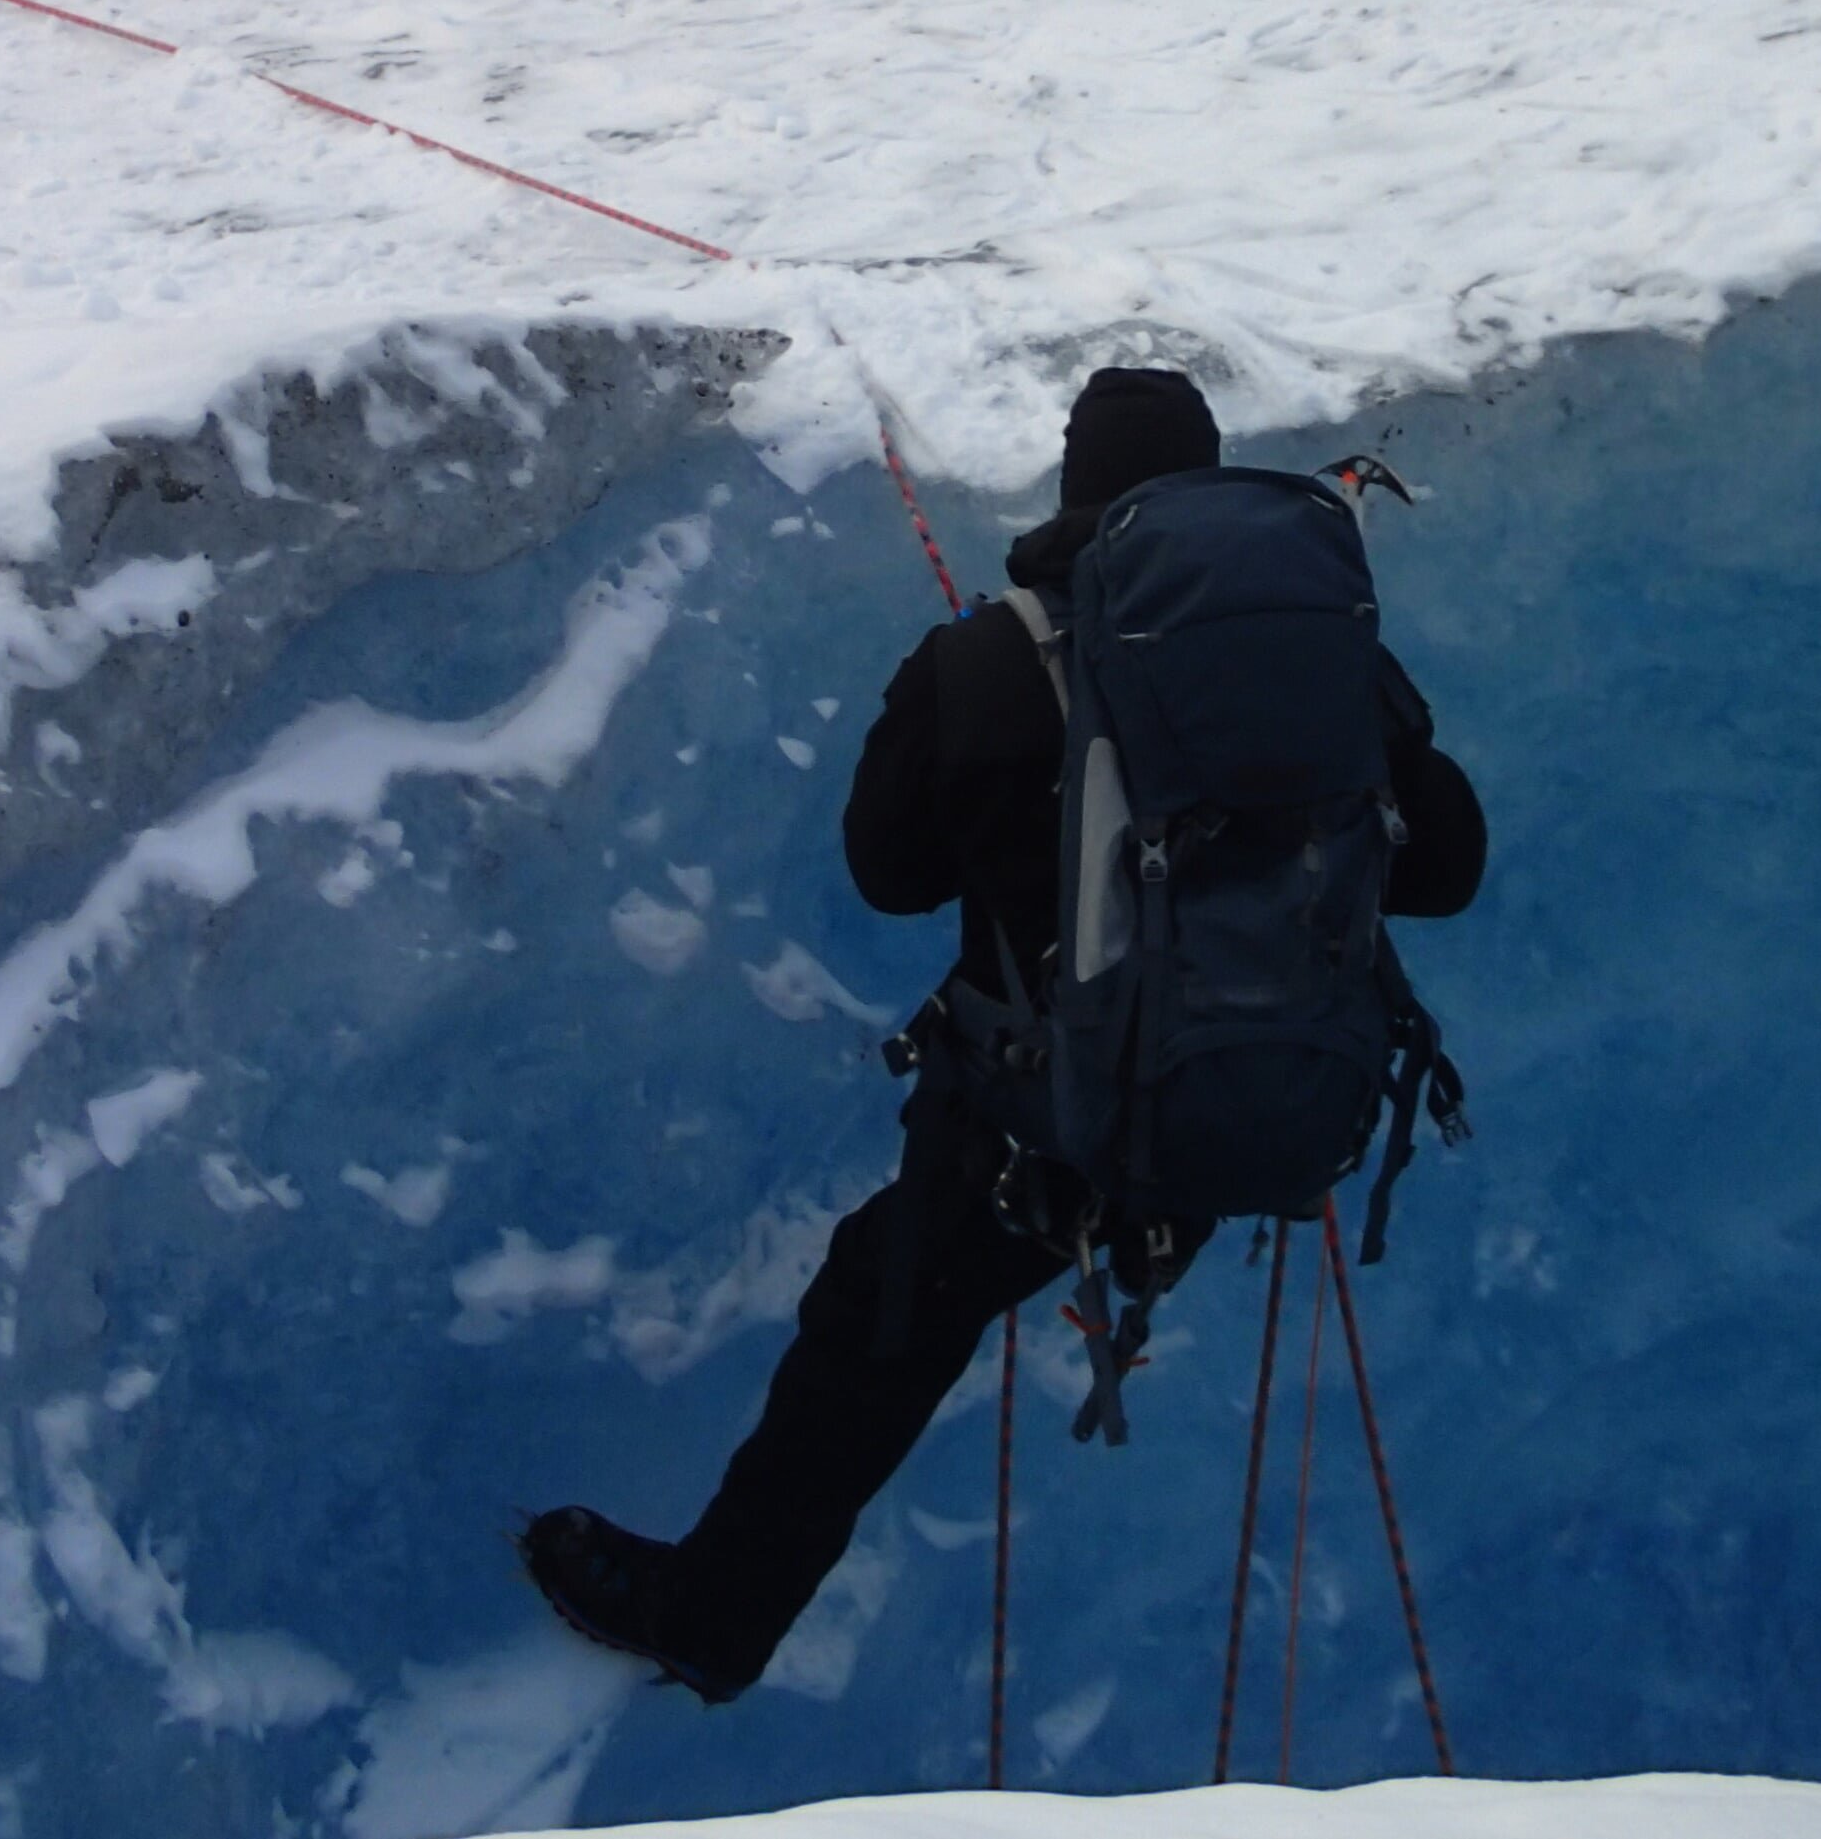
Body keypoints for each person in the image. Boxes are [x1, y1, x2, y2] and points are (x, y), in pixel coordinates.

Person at [522, 368, 1489, 1700]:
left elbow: (887, 869)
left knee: (874, 1316)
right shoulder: (1319, 659)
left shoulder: (985, 658)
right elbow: (1446, 866)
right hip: (1270, 1103)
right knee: (983, 1253)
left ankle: (714, 1614)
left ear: (1074, 482)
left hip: (1036, 1140)